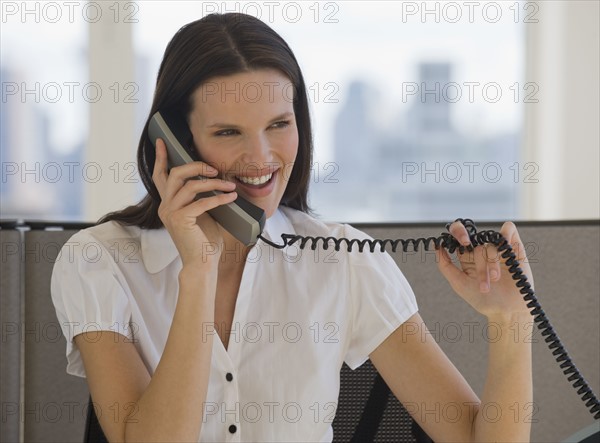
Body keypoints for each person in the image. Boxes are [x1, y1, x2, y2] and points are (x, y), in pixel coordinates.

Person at [51, 12, 534, 443]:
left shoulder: (344, 260)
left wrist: (511, 321)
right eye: (227, 132)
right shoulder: (99, 261)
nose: (262, 158)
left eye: (278, 124)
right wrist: (197, 270)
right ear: (175, 142)